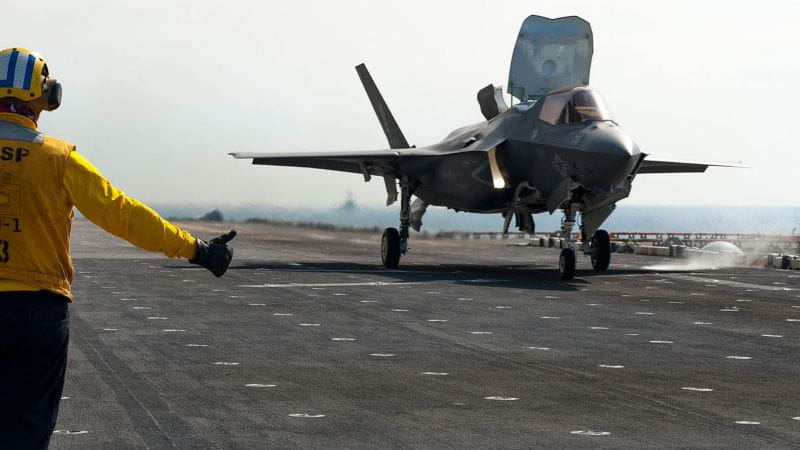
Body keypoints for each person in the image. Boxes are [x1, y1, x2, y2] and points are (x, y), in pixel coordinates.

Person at [0, 47, 236, 449]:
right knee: (25, 431)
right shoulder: (57, 159)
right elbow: (122, 214)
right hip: (35, 312)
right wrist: (195, 249)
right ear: (41, 97)